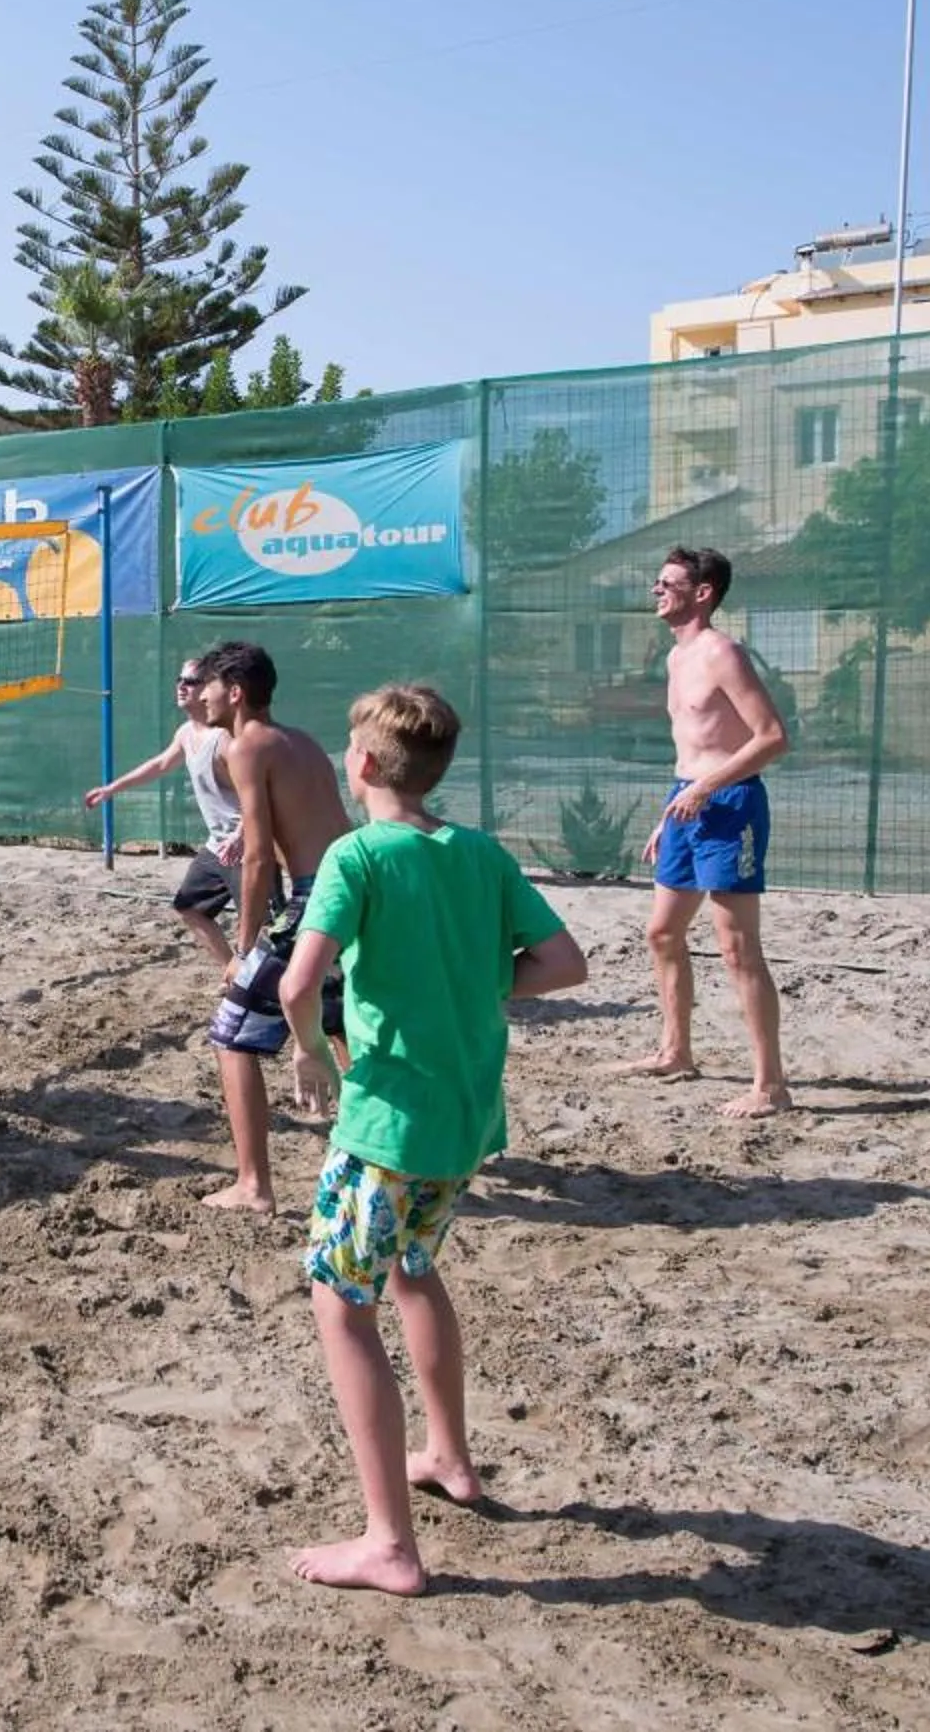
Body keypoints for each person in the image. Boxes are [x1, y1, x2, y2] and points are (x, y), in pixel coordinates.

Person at [276, 684, 588, 1596]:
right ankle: (448, 1454)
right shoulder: (481, 853)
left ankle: (389, 1544)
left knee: (342, 1304)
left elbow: (298, 984)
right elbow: (563, 964)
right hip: (464, 1118)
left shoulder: (357, 855)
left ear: (365, 764)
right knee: (412, 1268)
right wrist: (469, 987)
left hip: (389, 1123)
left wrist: (309, 1052)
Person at [614, 545, 793, 1119]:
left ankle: (770, 1086)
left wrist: (705, 789)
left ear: (703, 592)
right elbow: (693, 747)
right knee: (663, 932)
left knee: (737, 948)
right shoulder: (675, 656)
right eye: (657, 581)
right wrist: (669, 813)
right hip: (686, 803)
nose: (656, 590)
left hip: (729, 805)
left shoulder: (723, 653)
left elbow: (772, 737)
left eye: (667, 583)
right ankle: (676, 1053)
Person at [192, 639, 357, 1211]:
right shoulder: (301, 741)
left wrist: (242, 947)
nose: (200, 696)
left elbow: (260, 860)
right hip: (353, 892)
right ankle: (381, 1157)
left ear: (235, 692)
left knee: (231, 1033)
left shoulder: (246, 746)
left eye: (208, 686)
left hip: (316, 898)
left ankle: (253, 1186)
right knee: (342, 1026)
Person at [82, 657, 268, 968]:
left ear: (209, 690)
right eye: (179, 679)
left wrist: (239, 836)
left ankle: (284, 983)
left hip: (246, 846)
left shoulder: (225, 740)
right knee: (189, 907)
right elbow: (160, 764)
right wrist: (111, 789)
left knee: (262, 927)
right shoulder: (186, 733)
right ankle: (234, 976)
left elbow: (257, 796)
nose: (181, 686)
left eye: (191, 681)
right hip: (218, 845)